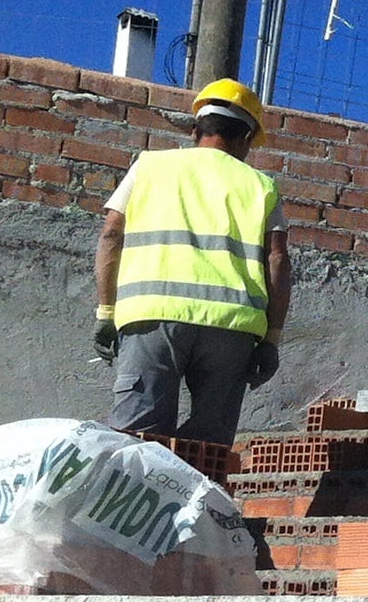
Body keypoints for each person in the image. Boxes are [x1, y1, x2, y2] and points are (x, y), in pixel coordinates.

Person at [92, 78, 293, 448]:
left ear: (195, 129)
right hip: (230, 329)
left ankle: (137, 505)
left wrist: (106, 311)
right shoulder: (261, 186)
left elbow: (110, 236)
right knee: (207, 449)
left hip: (151, 319)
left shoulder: (149, 167)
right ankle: (195, 505)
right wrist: (272, 340)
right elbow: (277, 260)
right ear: (247, 139)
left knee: (136, 440)